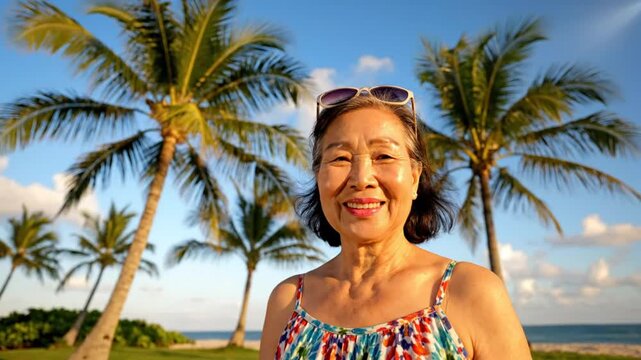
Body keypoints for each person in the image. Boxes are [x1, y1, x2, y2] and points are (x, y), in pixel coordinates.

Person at [259, 86, 531, 359]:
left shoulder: (470, 291)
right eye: (340, 158)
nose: (361, 178)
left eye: (384, 156)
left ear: (414, 178)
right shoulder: (289, 300)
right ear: (319, 177)